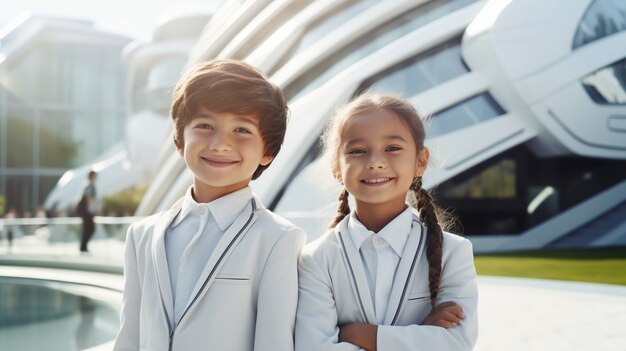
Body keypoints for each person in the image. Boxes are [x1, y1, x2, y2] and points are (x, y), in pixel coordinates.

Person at [113, 59, 306, 351]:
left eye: (241, 130)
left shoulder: (279, 239)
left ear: (267, 151)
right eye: (205, 126)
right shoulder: (141, 235)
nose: (220, 143)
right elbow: (129, 338)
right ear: (180, 141)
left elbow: (274, 344)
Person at [295, 93, 478, 350]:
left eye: (392, 148)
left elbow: (456, 343)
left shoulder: (453, 252)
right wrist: (423, 334)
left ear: (421, 161)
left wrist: (357, 334)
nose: (375, 163)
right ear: (337, 166)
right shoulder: (315, 260)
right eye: (358, 151)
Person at [79, 170, 97, 252]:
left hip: (87, 211)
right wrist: (92, 209)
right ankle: (83, 247)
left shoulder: (88, 185)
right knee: (90, 228)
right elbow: (88, 198)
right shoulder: (89, 186)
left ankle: (83, 247)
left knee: (88, 228)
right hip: (87, 212)